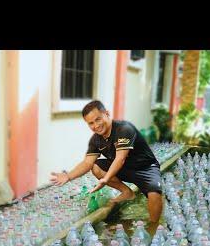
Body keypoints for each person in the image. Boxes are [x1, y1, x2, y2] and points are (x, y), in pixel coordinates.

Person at [50, 100, 163, 235]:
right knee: (96, 167)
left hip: (145, 167)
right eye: (91, 123)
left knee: (154, 194)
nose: (96, 125)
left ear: (107, 114)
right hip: (124, 169)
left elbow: (120, 159)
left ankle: (154, 227)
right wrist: (68, 176)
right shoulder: (96, 140)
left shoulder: (124, 129)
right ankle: (127, 192)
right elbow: (87, 163)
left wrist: (106, 179)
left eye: (98, 119)